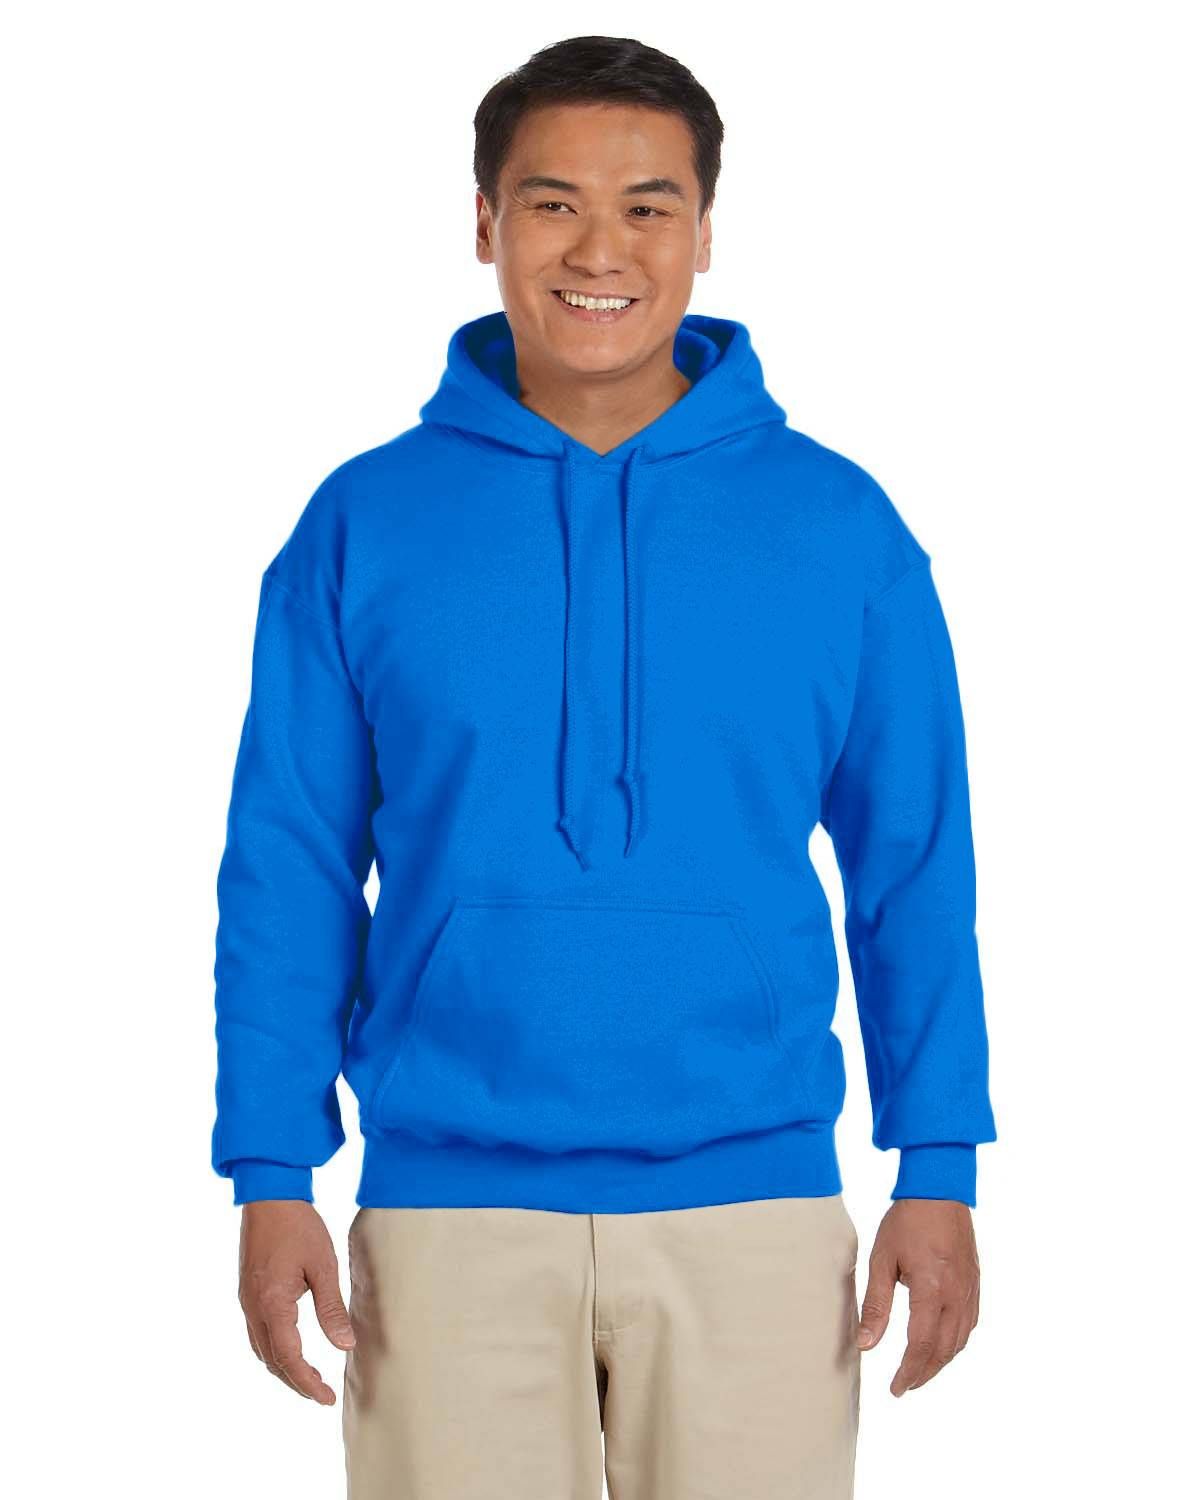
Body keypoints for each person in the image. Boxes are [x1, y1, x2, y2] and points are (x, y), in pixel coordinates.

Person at [211, 33, 997, 1500]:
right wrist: (270, 1172)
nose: (599, 249)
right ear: (485, 222)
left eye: (647, 206)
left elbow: (914, 863)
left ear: (703, 230)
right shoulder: (363, 524)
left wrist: (938, 1162)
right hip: (445, 1213)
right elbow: (290, 867)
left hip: (756, 1202)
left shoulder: (840, 528)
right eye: (553, 201)